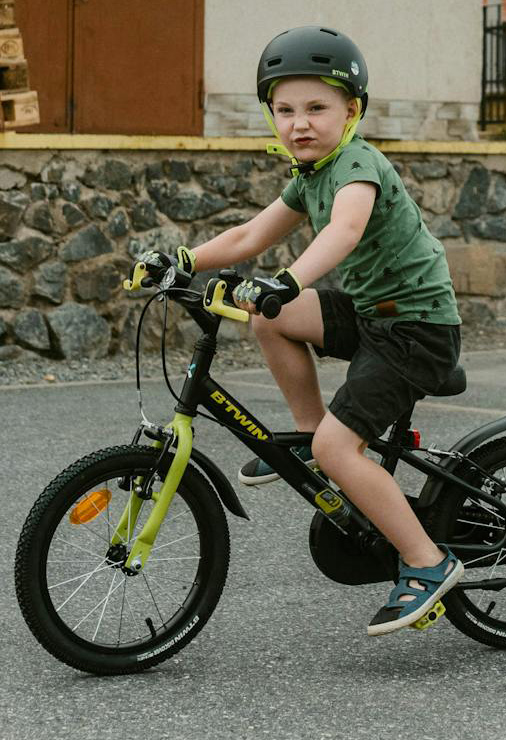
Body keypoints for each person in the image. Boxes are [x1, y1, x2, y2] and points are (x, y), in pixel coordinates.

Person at [133, 26, 465, 637]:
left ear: (351, 112)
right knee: (270, 317)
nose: (299, 123)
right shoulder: (310, 174)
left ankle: (428, 562)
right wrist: (181, 259)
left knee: (339, 447)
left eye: (317, 108)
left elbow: (343, 231)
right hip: (373, 313)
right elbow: (248, 237)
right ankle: (314, 440)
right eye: (285, 110)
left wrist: (285, 279)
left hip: (417, 326)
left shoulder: (359, 164)